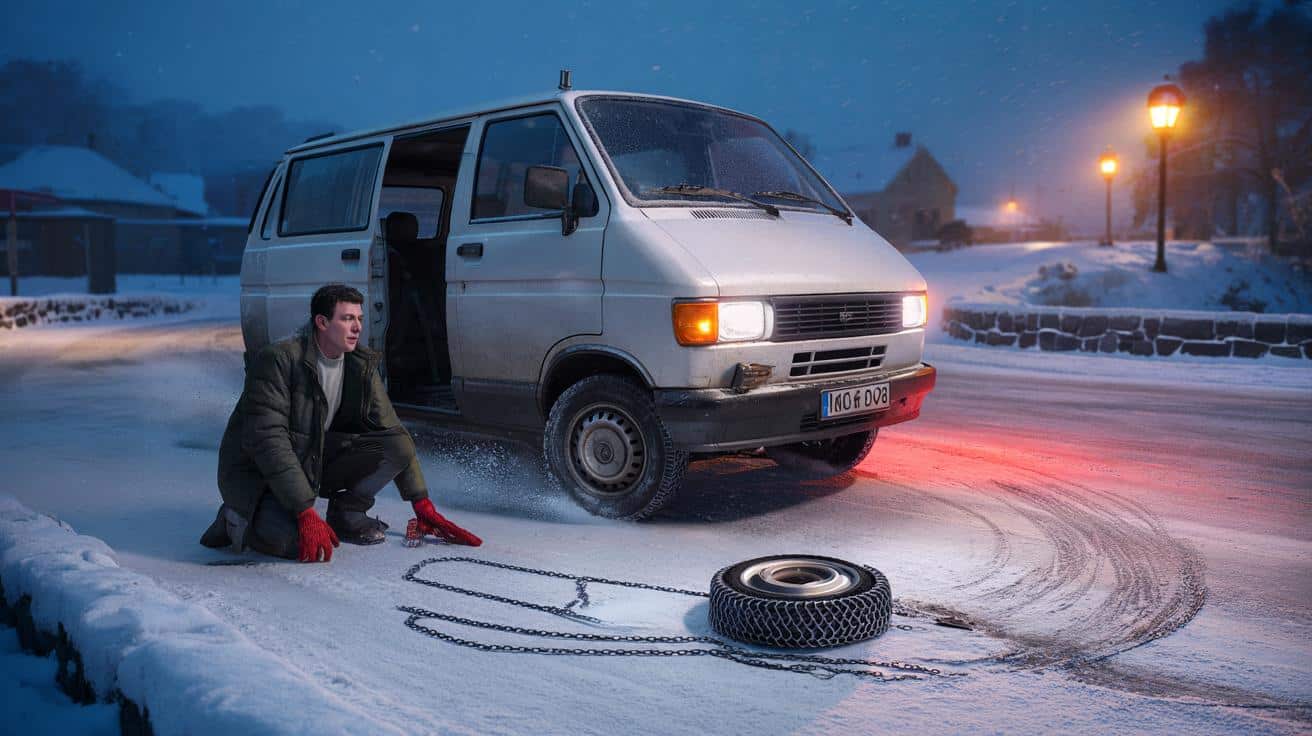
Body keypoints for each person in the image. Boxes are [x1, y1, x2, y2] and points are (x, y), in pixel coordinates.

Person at [200, 283, 480, 562]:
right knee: (296, 544)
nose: (357, 327)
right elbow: (267, 440)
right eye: (347, 319)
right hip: (257, 475)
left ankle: (347, 512)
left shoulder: (360, 365)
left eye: (359, 319)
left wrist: (421, 502)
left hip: (311, 459)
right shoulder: (278, 360)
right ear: (321, 322)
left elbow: (393, 432)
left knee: (397, 445)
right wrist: (304, 511)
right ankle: (236, 517)